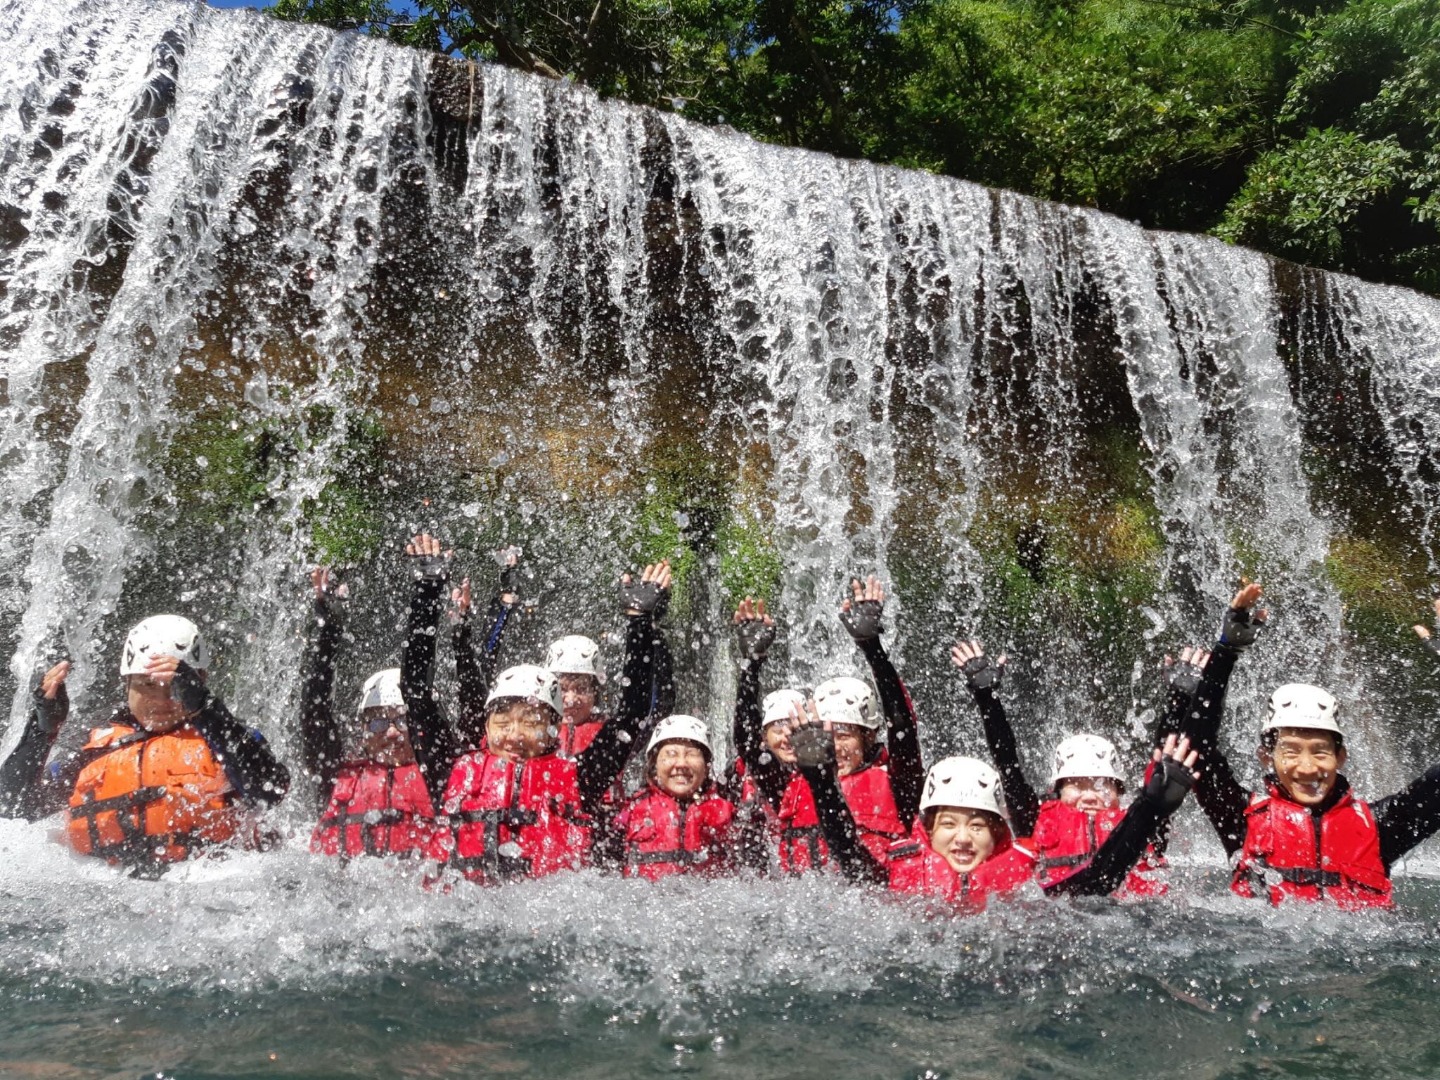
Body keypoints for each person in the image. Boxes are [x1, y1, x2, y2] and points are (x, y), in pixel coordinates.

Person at [398, 533, 671, 883]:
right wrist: (427, 593)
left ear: (553, 729)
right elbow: (415, 690)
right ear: (487, 724)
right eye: (503, 720)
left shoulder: (579, 779)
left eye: (530, 721)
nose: (514, 735)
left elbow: (632, 713)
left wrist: (639, 621)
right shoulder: (451, 771)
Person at [1179, 584, 1440, 909]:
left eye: (1320, 751)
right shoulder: (1242, 819)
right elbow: (1193, 751)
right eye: (1290, 751)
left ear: (1340, 757)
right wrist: (1226, 652)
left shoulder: (1380, 827)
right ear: (1266, 756)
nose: (1307, 767)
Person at [791, 707, 1199, 911]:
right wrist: (821, 781)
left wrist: (1150, 808)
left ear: (1000, 836)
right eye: (949, 824)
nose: (963, 839)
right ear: (928, 833)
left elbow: (1098, 878)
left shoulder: (1024, 891)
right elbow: (848, 853)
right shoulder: (899, 878)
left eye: (977, 827)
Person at [0, 615, 289, 875]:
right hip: (110, 894)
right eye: (148, 685)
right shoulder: (97, 749)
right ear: (127, 683)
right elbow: (14, 810)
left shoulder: (228, 739)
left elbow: (269, 791)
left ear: (198, 683)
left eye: (175, 687)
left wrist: (206, 708)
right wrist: (41, 731)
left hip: (217, 888)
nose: (162, 701)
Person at [952, 639, 1171, 896]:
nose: (1090, 796)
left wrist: (1178, 702)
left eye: (1102, 786)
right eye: (1077, 785)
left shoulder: (1144, 826)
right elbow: (1007, 763)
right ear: (1057, 791)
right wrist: (987, 696)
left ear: (1119, 792)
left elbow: (1167, 767)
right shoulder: (1033, 820)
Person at [732, 577, 923, 872]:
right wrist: (752, 665)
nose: (833, 745)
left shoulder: (899, 786)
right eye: (823, 735)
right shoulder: (790, 785)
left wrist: (872, 647)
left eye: (844, 733)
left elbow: (902, 726)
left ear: (868, 738)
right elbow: (746, 742)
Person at [606, 714, 737, 879]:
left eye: (691, 754)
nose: (681, 763)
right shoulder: (629, 811)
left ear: (706, 765)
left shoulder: (728, 811)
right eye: (671, 753)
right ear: (654, 764)